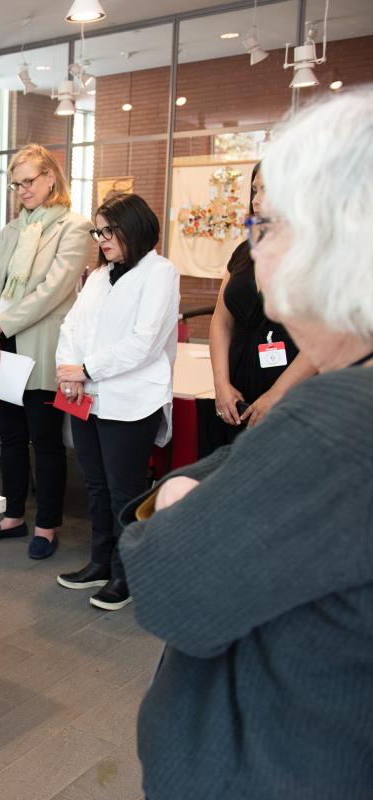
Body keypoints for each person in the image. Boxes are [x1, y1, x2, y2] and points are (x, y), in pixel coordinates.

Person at [118, 89, 373, 800]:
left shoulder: (341, 423)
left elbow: (168, 588)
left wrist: (173, 494)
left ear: (328, 236)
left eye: (262, 224)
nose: (253, 247)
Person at [54, 193, 179, 611]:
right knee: (95, 485)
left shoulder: (160, 272)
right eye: (99, 231)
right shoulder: (101, 275)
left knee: (124, 491)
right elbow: (72, 326)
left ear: (135, 228)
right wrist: (68, 370)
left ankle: (127, 573)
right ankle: (100, 561)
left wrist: (85, 369)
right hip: (88, 397)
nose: (102, 239)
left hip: (131, 399)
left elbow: (144, 342)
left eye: (110, 230)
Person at [0, 144, 97, 559]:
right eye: (16, 183)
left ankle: (46, 526)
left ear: (50, 179)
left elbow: (54, 291)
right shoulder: (13, 228)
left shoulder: (74, 227)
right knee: (9, 436)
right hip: (1, 342)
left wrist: (0, 324)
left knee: (44, 440)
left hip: (41, 345)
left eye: (29, 181)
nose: (22, 189)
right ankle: (12, 516)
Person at [207, 162, 314, 445]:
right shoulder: (244, 251)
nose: (256, 199)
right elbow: (221, 321)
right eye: (254, 190)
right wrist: (221, 384)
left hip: (292, 393)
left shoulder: (314, 255)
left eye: (266, 190)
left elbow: (323, 341)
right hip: (236, 393)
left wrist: (275, 395)